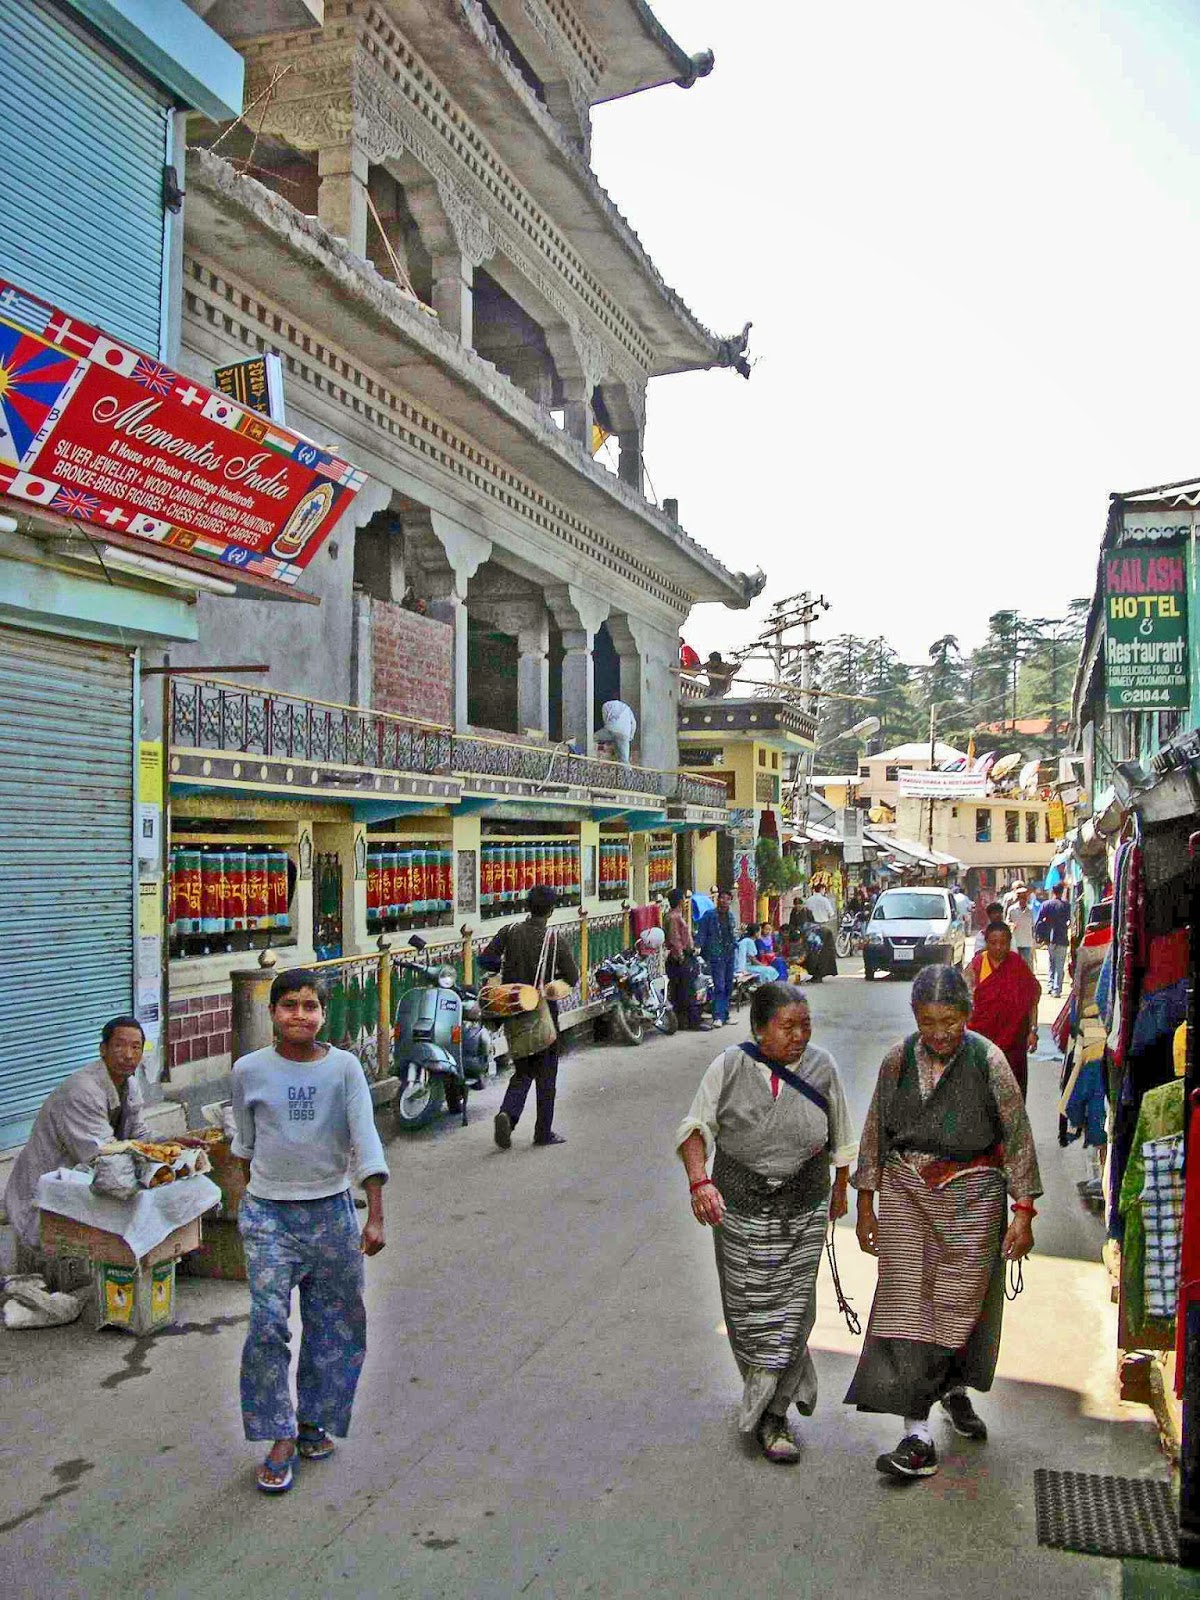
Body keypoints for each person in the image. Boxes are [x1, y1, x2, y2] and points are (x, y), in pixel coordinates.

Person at [845, 964, 1041, 1480]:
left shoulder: (988, 1060)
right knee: (906, 1306)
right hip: (907, 1190)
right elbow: (875, 1133)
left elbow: (1017, 1137)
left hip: (974, 1196)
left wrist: (1022, 1213)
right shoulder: (897, 1061)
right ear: (914, 1016)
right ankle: (917, 1433)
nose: (938, 1033)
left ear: (967, 1015)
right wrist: (866, 1205)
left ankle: (952, 1389)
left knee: (959, 1304)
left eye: (949, 1022)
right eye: (928, 1022)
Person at [676, 984, 857, 1462]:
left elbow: (841, 1136)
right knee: (748, 1314)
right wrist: (700, 1183)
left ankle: (774, 1416)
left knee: (794, 1312)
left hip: (805, 1206)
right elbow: (694, 1129)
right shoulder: (729, 1067)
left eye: (805, 1025)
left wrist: (841, 1191)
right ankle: (763, 1389)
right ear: (759, 1030)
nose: (800, 1035)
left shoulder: (822, 1068)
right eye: (787, 1026)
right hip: (738, 1207)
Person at [231, 969, 388, 1495]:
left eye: (310, 1005)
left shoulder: (344, 1069)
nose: (300, 1014)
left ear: (323, 1014)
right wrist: (241, 1212)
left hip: (331, 1214)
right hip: (269, 1215)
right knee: (268, 1326)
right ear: (273, 1014)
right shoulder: (248, 1070)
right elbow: (243, 1148)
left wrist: (376, 1214)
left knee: (336, 1324)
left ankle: (312, 1422)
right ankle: (278, 1434)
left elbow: (365, 1138)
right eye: (289, 1005)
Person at [5, 1016, 151, 1266]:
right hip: (44, 1197)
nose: (128, 1054)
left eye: (135, 1047)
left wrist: (171, 1149)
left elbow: (139, 1135)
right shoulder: (83, 1090)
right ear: (103, 1049)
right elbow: (101, 1154)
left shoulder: (131, 1084)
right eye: (120, 1046)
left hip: (85, 1183)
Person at [483, 884, 579, 1148]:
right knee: (546, 1075)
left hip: (513, 1010)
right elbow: (572, 976)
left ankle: (508, 1114)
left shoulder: (509, 931)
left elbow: (486, 960)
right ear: (550, 910)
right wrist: (552, 985)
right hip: (543, 1013)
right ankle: (542, 1132)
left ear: (527, 906)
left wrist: (504, 977)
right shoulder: (554, 940)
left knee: (523, 1070)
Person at [966, 921, 1042, 1097]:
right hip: (982, 1040)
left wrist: (1033, 1030)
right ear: (986, 943)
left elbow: (1032, 999)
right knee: (983, 1092)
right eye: (993, 942)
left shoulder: (1017, 965)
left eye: (1003, 943)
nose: (999, 947)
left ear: (1010, 943)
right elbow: (964, 1003)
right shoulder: (977, 965)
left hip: (1014, 1042)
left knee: (1013, 1089)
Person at [664, 888, 705, 1031]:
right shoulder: (674, 917)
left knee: (680, 991)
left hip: (680, 956)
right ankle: (693, 1022)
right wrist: (680, 956)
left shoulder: (673, 916)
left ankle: (682, 1021)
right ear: (681, 901)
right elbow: (675, 938)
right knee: (688, 990)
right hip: (680, 958)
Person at [696, 888, 738, 1026]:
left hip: (729, 954)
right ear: (718, 899)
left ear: (730, 901)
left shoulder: (731, 916)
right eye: (722, 898)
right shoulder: (709, 915)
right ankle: (717, 1016)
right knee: (719, 986)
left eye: (727, 898)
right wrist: (698, 947)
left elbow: (733, 933)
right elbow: (701, 933)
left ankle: (725, 1015)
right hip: (716, 954)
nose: (724, 901)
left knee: (728, 985)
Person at [1035, 884, 1071, 998]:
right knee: (1059, 965)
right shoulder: (1066, 905)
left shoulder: (1046, 904)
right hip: (1062, 938)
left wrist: (1039, 936)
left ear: (1053, 891)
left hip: (1049, 938)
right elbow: (1069, 920)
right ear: (1062, 892)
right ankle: (1057, 989)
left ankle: (1051, 986)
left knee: (1052, 963)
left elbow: (1038, 921)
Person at [597, 699, 637, 765]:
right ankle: (628, 773)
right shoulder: (626, 708)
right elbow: (634, 723)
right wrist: (631, 736)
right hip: (624, 734)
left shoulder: (606, 705)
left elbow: (605, 719)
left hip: (611, 730)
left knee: (592, 738)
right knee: (624, 759)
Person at [1005, 886, 1036, 969]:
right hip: (1015, 942)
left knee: (1027, 966)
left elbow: (1033, 926)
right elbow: (1007, 922)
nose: (1023, 900)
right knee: (1014, 966)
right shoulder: (1012, 909)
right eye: (1021, 897)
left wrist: (1034, 940)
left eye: (1024, 898)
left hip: (1027, 942)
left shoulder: (1030, 910)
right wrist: (1011, 924)